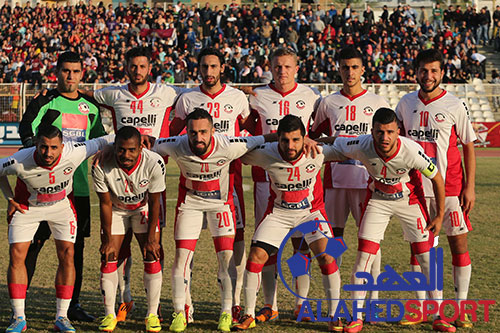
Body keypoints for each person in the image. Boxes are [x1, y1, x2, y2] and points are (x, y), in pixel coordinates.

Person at [321, 108, 450, 333]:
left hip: (409, 202)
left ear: (398, 132)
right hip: (378, 201)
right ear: (372, 132)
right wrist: (310, 141)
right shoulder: (362, 144)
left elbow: (437, 179)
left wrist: (439, 216)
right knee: (363, 257)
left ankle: (438, 315)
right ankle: (357, 317)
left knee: (426, 256)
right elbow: (337, 141)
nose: (385, 138)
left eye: (390, 132)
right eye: (380, 132)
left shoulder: (411, 150)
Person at [153, 108, 277, 333]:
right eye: (193, 133)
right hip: (189, 205)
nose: (198, 138)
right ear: (186, 132)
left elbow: (264, 138)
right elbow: (146, 143)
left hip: (220, 206)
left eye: (203, 132)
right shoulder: (175, 144)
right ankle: (180, 312)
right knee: (181, 258)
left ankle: (226, 312)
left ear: (213, 130)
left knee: (226, 260)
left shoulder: (229, 144)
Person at [92, 46, 184, 322]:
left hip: (150, 181)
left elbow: (192, 101)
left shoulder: (166, 93)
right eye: (133, 66)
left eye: (142, 66)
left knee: (153, 246)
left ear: (149, 68)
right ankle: (125, 296)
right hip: (119, 175)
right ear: (126, 67)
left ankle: (152, 308)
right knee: (117, 247)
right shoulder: (113, 93)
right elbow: (86, 97)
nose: (137, 70)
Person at [18, 51, 106, 322]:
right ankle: (20, 305)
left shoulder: (90, 108)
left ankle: (73, 306)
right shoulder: (46, 102)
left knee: (74, 248)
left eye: (75, 71)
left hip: (76, 189)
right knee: (32, 245)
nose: (70, 76)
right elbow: (26, 134)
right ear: (58, 72)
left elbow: (101, 141)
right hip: (42, 190)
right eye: (66, 71)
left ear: (83, 74)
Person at [233, 115, 342, 331]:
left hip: (311, 215)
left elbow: (343, 143)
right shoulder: (266, 153)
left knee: (327, 257)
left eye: (295, 140)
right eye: (284, 140)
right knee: (256, 257)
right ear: (278, 139)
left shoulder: (317, 152)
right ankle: (249, 314)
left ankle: (334, 316)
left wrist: (318, 141)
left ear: (304, 139)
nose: (290, 146)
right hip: (279, 214)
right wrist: (268, 137)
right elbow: (238, 149)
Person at [1, 125, 113, 333]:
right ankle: (18, 318)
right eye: (43, 147)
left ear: (63, 146)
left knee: (68, 254)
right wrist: (9, 197)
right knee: (17, 255)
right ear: (37, 144)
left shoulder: (76, 150)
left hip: (61, 207)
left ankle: (62, 317)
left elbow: (105, 140)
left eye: (54, 147)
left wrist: (108, 147)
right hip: (28, 209)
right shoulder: (20, 159)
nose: (48, 153)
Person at [169, 47, 253, 324]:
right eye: (204, 66)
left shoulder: (238, 97)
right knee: (185, 250)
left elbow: (250, 132)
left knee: (234, 244)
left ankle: (234, 303)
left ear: (221, 68)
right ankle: (186, 307)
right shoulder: (187, 99)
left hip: (230, 182)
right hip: (193, 184)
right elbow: (172, 136)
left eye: (213, 66)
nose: (208, 72)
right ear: (199, 68)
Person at [396, 49, 476, 330]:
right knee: (418, 249)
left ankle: (461, 308)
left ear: (442, 73)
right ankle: (420, 308)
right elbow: (398, 143)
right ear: (415, 72)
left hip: (451, 187)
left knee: (458, 244)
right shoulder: (405, 104)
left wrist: (470, 187)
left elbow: (468, 146)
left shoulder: (455, 104)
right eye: (423, 70)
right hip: (416, 188)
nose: (428, 76)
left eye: (433, 71)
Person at [309, 46, 390, 318]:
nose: (350, 72)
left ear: (363, 69)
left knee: (370, 240)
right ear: (339, 69)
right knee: (335, 240)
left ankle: (373, 301)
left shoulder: (378, 103)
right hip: (335, 182)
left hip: (367, 183)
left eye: (354, 67)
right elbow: (313, 137)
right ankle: (337, 300)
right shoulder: (328, 103)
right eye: (345, 67)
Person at [247, 47, 321, 322]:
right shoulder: (257, 96)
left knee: (301, 245)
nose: (282, 71)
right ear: (270, 67)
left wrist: (312, 139)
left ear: (296, 68)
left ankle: (302, 302)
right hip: (266, 180)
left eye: (287, 66)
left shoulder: (310, 96)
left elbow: (320, 131)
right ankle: (270, 304)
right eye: (277, 66)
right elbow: (245, 133)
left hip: (302, 181)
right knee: (267, 245)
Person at [92, 126, 165, 333]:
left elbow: (155, 201)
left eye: (132, 150)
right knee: (109, 255)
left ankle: (151, 314)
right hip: (116, 209)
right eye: (121, 150)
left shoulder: (154, 162)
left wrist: (152, 238)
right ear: (114, 147)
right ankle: (109, 314)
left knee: (152, 253)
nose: (126, 155)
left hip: (142, 208)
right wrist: (106, 238)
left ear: (141, 148)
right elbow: (104, 204)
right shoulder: (101, 164)